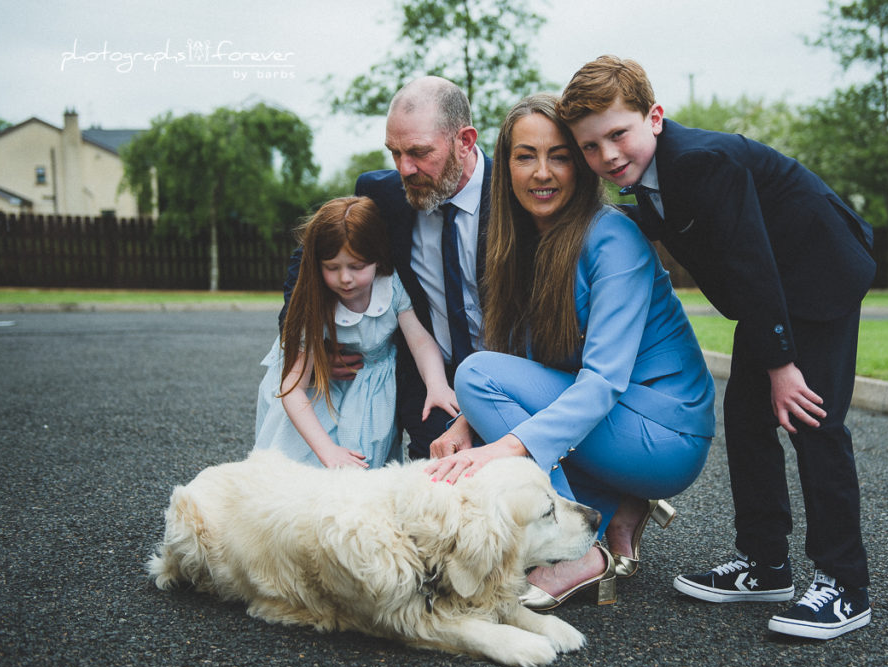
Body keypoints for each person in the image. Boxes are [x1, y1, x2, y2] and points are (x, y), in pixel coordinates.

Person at [557, 55, 875, 640]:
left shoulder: (702, 163)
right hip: (775, 293)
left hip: (819, 274)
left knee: (812, 419)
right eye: (589, 147)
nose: (607, 156)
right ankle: (766, 564)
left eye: (618, 135)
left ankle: (844, 584)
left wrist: (781, 364)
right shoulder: (649, 177)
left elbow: (751, 262)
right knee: (748, 420)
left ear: (654, 117)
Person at [425, 94, 716, 610]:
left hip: (665, 432)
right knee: (488, 396)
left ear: (580, 164)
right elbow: (521, 357)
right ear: (505, 165)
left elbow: (600, 381)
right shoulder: (517, 241)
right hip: (616, 423)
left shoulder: (613, 238)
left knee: (475, 376)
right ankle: (614, 506)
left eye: (558, 155)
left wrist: (503, 446)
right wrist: (468, 424)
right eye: (524, 155)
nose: (542, 172)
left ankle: (575, 556)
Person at [275, 76, 491, 460]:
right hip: (429, 383)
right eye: (394, 152)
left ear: (465, 141)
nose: (404, 169)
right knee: (435, 491)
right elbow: (307, 261)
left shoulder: (513, 197)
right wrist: (320, 343)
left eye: (419, 152)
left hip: (503, 373)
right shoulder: (386, 195)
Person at [255, 196, 458, 468]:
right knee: (305, 470)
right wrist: (328, 451)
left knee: (363, 468)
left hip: (371, 393)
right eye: (332, 267)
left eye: (357, 266)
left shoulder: (391, 287)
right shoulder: (315, 301)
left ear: (378, 258)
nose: (345, 278)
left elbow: (420, 342)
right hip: (319, 399)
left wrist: (437, 385)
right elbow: (292, 389)